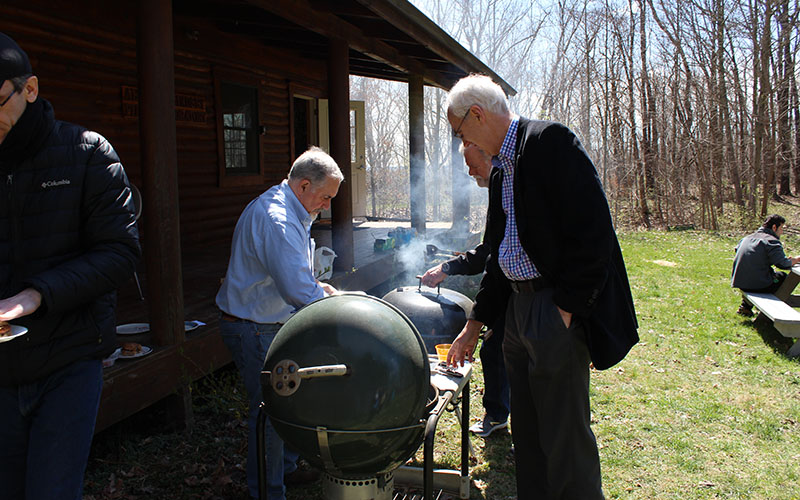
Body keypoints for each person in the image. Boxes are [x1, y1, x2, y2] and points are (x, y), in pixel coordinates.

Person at [444, 74, 638, 499]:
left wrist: (565, 312)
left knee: (565, 440)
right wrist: (476, 322)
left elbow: (595, 236)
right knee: (528, 437)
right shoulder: (500, 173)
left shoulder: (550, 142)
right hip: (516, 313)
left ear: (477, 115)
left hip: (552, 311)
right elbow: (498, 256)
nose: (462, 139)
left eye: (460, 131)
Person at [0, 33, 141, 500]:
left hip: (69, 360)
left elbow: (120, 253)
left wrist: (36, 294)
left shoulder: (86, 153)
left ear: (30, 89)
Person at [216, 146, 342, 500]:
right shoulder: (278, 219)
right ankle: (268, 493)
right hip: (253, 327)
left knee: (290, 403)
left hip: (271, 321)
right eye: (325, 196)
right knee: (270, 415)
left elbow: (297, 279)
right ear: (303, 185)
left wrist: (320, 288)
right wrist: (335, 306)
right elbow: (296, 289)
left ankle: (284, 470)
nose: (327, 205)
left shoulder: (293, 207)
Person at [421, 144, 509, 438]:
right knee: (497, 351)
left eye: (473, 165)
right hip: (508, 290)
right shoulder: (499, 189)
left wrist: (476, 322)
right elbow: (487, 251)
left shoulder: (507, 187)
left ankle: (499, 414)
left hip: (523, 294)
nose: (470, 173)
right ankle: (499, 414)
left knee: (499, 349)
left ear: (491, 158)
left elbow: (494, 259)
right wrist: (446, 268)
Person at [731, 214, 800, 316]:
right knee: (782, 277)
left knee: (768, 276)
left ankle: (745, 306)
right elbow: (783, 264)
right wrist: (797, 259)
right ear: (774, 227)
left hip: (740, 282)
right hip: (759, 284)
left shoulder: (746, 238)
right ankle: (772, 312)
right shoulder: (771, 241)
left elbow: (740, 251)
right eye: (781, 228)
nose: (781, 232)